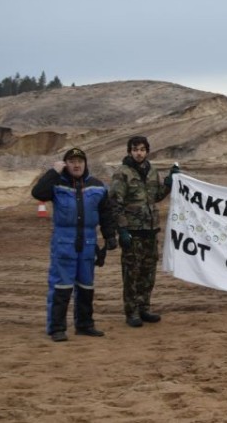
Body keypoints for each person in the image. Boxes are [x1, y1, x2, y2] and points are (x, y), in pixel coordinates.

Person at [32, 147, 117, 342]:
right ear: (66, 164)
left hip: (88, 243)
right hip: (64, 242)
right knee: (61, 286)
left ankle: (85, 325)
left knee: (86, 286)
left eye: (80, 161)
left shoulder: (97, 186)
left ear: (85, 163)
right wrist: (53, 172)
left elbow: (106, 213)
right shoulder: (56, 184)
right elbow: (38, 193)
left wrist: (110, 236)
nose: (76, 165)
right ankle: (57, 328)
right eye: (71, 161)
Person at [109, 136, 176, 328]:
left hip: (150, 231)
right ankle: (132, 311)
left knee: (148, 273)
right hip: (133, 232)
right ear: (129, 151)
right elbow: (115, 203)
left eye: (142, 149)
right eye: (135, 149)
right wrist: (121, 230)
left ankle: (144, 307)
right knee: (132, 273)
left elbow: (156, 196)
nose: (139, 152)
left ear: (147, 151)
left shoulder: (152, 172)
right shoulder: (122, 173)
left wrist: (170, 182)